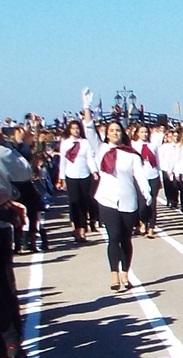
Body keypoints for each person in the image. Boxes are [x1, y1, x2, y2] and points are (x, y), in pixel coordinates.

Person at [85, 113, 151, 293]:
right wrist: (87, 109)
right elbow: (90, 131)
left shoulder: (131, 154)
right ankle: (114, 272)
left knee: (125, 238)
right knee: (113, 236)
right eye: (112, 130)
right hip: (107, 199)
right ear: (107, 134)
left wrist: (146, 192)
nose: (115, 133)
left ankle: (125, 272)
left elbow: (139, 175)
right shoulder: (101, 148)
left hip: (127, 200)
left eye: (118, 130)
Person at [56, 117, 97, 243]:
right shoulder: (65, 143)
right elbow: (63, 161)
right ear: (70, 130)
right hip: (71, 175)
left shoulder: (85, 143)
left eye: (77, 128)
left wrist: (94, 171)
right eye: (73, 128)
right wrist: (61, 177)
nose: (76, 131)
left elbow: (90, 158)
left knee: (84, 202)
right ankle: (76, 227)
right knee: (74, 202)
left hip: (84, 175)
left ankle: (83, 229)